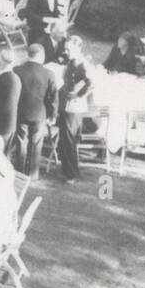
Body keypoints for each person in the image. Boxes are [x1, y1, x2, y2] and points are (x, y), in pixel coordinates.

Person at [13, 43, 58, 176]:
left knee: (21, 143)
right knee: (36, 144)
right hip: (39, 113)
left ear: (28, 54)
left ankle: (19, 172)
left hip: (21, 111)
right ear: (42, 56)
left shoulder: (17, 70)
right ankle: (33, 174)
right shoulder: (49, 73)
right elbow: (54, 96)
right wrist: (53, 114)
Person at [57, 36, 92, 182]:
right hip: (66, 104)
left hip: (75, 107)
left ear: (78, 48)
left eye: (69, 49)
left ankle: (72, 173)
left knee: (70, 139)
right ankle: (67, 170)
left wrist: (78, 94)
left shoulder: (83, 64)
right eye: (65, 48)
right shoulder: (71, 62)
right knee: (65, 138)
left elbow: (90, 84)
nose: (66, 51)